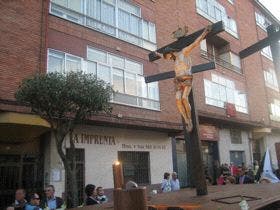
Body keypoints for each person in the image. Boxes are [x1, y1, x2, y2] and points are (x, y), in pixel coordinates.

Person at [161, 25, 212, 132]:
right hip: (178, 80)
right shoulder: (174, 59)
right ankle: (187, 120)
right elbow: (161, 55)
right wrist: (157, 54)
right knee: (178, 100)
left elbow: (195, 43)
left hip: (186, 77)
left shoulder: (184, 52)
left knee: (184, 98)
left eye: (168, 56)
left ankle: (190, 119)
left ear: (171, 52)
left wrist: (204, 33)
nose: (168, 58)